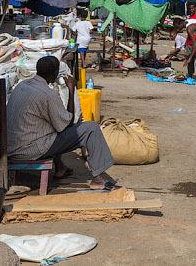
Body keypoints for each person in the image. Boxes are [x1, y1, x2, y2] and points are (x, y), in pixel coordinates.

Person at [7, 56, 116, 190]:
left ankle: (60, 167)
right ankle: (98, 179)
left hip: (11, 147)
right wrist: (71, 89)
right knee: (91, 128)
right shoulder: (48, 95)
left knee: (52, 127)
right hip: (29, 150)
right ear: (55, 74)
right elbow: (67, 123)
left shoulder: (22, 85)